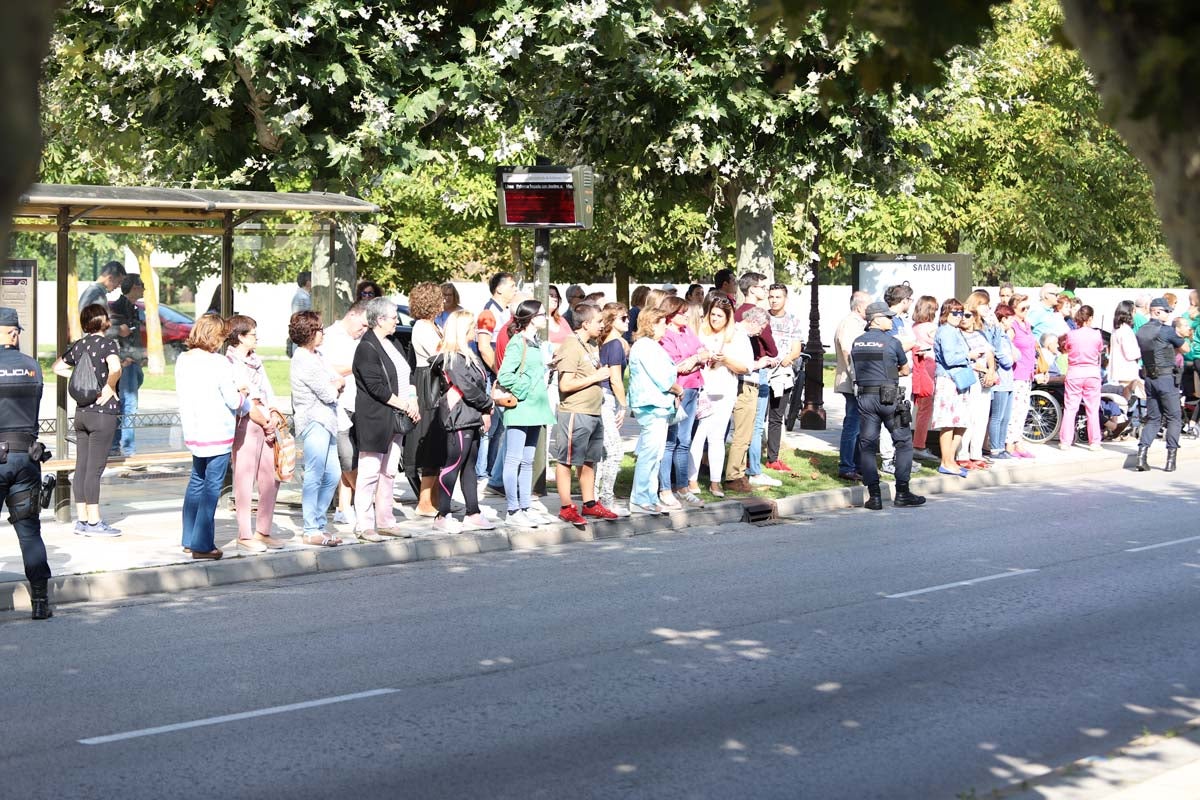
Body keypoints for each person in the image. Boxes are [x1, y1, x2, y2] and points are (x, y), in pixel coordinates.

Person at [176, 314, 247, 560]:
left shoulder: (183, 359)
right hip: (217, 430)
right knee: (211, 487)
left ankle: (188, 538)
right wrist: (243, 394)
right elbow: (232, 399)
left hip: (195, 431)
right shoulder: (219, 363)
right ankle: (203, 544)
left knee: (196, 481)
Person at [0, 308, 53, 619]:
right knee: (30, 532)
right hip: (27, 459)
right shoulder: (33, 367)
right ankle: (40, 603)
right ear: (14, 333)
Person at [52, 303, 123, 536]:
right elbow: (115, 367)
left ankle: (82, 520)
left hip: (81, 414)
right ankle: (95, 522)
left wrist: (80, 379)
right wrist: (108, 387)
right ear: (104, 321)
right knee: (95, 469)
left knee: (81, 467)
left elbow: (57, 367)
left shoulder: (80, 345)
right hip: (103, 414)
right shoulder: (107, 344)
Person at [351, 298, 417, 541]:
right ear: (379, 320)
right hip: (375, 418)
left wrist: (414, 399)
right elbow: (376, 386)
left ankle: (386, 520)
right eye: (392, 317)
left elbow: (406, 375)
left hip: (395, 417)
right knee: (369, 472)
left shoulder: (393, 344)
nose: (397, 320)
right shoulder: (367, 347)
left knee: (389, 471)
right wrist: (405, 405)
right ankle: (364, 524)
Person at [851, 302, 925, 510]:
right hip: (889, 399)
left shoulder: (857, 343)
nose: (892, 320)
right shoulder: (892, 343)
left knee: (867, 445)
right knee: (903, 442)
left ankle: (874, 496)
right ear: (875, 319)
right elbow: (904, 370)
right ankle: (902, 493)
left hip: (866, 399)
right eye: (888, 317)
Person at [551, 303, 618, 523]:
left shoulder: (590, 345)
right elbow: (566, 384)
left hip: (593, 412)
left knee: (589, 460)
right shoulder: (571, 345)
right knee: (567, 460)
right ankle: (566, 506)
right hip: (575, 412)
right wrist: (597, 377)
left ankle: (589, 503)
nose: (602, 325)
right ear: (586, 323)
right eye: (599, 321)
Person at [225, 315, 285, 552]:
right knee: (244, 477)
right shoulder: (230, 361)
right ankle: (244, 533)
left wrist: (272, 415)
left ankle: (263, 530)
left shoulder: (256, 361)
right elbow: (244, 398)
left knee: (270, 477)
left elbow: (267, 390)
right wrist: (263, 418)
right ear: (240, 337)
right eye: (252, 334)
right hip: (247, 422)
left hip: (265, 419)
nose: (256, 338)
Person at [434, 310, 496, 533]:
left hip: (472, 415)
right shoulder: (452, 357)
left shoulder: (468, 354)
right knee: (453, 465)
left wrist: (485, 409)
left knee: (469, 466)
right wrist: (488, 404)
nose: (475, 331)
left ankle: (473, 512)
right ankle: (442, 514)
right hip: (459, 417)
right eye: (471, 327)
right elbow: (468, 388)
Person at [497, 300, 556, 527]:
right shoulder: (517, 342)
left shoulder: (534, 342)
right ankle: (512, 510)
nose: (546, 317)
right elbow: (505, 376)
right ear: (531, 318)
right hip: (521, 407)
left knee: (528, 460)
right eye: (542, 314)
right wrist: (527, 387)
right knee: (513, 459)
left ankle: (524, 506)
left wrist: (546, 368)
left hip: (535, 408)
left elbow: (530, 371)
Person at [289, 310, 344, 547]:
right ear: (309, 332)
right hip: (314, 422)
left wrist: (337, 382)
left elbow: (336, 379)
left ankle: (319, 523)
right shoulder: (303, 359)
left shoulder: (318, 355)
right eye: (319, 329)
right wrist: (336, 384)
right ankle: (311, 528)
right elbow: (329, 391)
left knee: (333, 474)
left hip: (328, 422)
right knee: (314, 474)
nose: (323, 333)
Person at [689, 293, 751, 497]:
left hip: (725, 390)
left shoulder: (737, 336)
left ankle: (716, 482)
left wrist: (725, 360)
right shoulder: (700, 332)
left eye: (719, 316)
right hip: (703, 389)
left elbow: (745, 367)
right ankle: (692, 479)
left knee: (717, 437)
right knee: (699, 435)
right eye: (712, 315)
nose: (715, 319)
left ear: (728, 318)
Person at [628, 308, 683, 514]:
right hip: (651, 404)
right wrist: (678, 389)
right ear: (651, 324)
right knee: (650, 453)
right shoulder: (645, 346)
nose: (666, 327)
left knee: (656, 453)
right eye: (662, 323)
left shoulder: (651, 346)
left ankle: (649, 496)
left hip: (658, 404)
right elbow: (662, 378)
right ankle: (640, 498)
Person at [320, 301, 369, 527]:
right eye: (362, 325)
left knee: (353, 456)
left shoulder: (358, 338)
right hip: (339, 404)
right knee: (347, 456)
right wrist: (358, 365)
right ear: (352, 315)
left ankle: (343, 506)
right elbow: (327, 367)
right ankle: (364, 501)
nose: (364, 330)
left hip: (357, 402)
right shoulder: (331, 336)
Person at [658, 296, 708, 509]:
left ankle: (683, 487)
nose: (687, 315)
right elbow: (676, 366)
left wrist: (696, 358)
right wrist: (696, 358)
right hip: (677, 391)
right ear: (670, 315)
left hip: (693, 387)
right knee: (670, 441)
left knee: (685, 440)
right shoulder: (665, 335)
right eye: (682, 312)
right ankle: (665, 488)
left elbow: (705, 353)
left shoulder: (687, 331)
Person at [404, 282, 447, 516]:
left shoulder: (433, 325)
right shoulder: (422, 326)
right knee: (430, 442)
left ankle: (435, 499)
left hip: (433, 382)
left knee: (438, 443)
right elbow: (436, 356)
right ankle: (425, 502)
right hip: (427, 383)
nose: (443, 302)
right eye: (439, 299)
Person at [1133, 297, 1188, 472]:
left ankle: (1141, 455)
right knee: (1174, 418)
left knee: (1154, 418)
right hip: (1166, 379)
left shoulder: (1141, 330)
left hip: (1150, 379)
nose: (1169, 314)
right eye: (1166, 311)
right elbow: (1185, 348)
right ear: (1156, 311)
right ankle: (1170, 460)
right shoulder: (1166, 331)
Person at [475, 272, 518, 484]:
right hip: (492, 375)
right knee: (488, 426)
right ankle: (482, 471)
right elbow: (484, 347)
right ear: (498, 288)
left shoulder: (505, 312)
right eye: (511, 285)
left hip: (499, 374)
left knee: (499, 427)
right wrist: (499, 371)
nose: (515, 289)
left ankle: (491, 469)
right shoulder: (488, 313)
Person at [932, 299, 977, 477]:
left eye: (961, 313)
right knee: (948, 422)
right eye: (955, 313)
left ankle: (949, 459)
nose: (959, 316)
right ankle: (946, 461)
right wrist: (968, 355)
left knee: (962, 421)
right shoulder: (946, 331)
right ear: (945, 314)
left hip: (959, 381)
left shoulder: (955, 331)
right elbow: (950, 359)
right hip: (948, 381)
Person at [764, 283, 804, 471]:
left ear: (785, 299)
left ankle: (773, 458)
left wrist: (789, 358)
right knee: (756, 418)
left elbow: (797, 348)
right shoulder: (761, 317)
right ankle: (750, 457)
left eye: (778, 297)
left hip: (782, 374)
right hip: (762, 371)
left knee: (776, 416)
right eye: (771, 296)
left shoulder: (793, 321)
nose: (774, 300)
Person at [596, 303, 630, 515]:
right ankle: (606, 498)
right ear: (611, 321)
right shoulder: (615, 344)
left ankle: (595, 497)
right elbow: (616, 379)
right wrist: (623, 405)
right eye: (623, 318)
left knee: (602, 451)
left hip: (601, 398)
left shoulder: (608, 343)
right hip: (607, 399)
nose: (627, 321)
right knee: (615, 451)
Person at [956, 292, 997, 470]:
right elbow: (965, 359)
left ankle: (976, 453)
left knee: (981, 418)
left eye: (967, 315)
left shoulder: (981, 334)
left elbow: (990, 353)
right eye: (961, 315)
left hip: (984, 380)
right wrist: (984, 370)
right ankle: (962, 454)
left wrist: (992, 370)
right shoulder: (958, 335)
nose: (964, 319)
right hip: (970, 379)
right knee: (969, 418)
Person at [833, 291, 871, 480]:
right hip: (853, 381)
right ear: (859, 306)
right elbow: (848, 352)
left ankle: (856, 464)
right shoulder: (850, 323)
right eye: (869, 305)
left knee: (859, 424)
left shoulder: (859, 323)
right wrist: (857, 378)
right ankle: (847, 466)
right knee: (853, 424)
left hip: (859, 379)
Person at [1058, 305, 1105, 450]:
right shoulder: (1097, 334)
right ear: (1090, 318)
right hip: (1092, 373)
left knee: (1071, 408)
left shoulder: (1072, 334)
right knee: (1092, 408)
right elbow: (1100, 349)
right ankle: (1094, 441)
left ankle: (1065, 441)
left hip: (1075, 373)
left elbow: (1066, 348)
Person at [109, 273, 145, 457]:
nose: (144, 289)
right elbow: (115, 332)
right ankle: (127, 449)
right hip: (126, 362)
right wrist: (126, 357)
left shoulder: (131, 307)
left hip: (132, 361)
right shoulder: (119, 307)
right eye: (142, 286)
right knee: (128, 404)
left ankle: (116, 446)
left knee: (124, 404)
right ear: (134, 287)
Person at [1006, 294, 1038, 459]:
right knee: (1015, 409)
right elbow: (1007, 347)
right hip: (1016, 373)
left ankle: (1017, 440)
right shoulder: (1012, 326)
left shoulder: (1027, 325)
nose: (1026, 311)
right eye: (1022, 308)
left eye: (1027, 308)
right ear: (1014, 309)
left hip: (1027, 373)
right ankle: (1009, 442)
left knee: (1023, 408)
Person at [987, 304, 1019, 459]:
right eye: (1010, 318)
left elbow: (1017, 355)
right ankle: (995, 449)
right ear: (1003, 318)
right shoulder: (997, 335)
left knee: (1006, 418)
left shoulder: (1006, 335)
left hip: (1009, 381)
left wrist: (1011, 357)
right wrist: (1010, 357)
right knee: (997, 416)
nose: (1012, 322)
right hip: (1000, 383)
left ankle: (1001, 447)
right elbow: (1004, 359)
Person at [910, 296, 939, 460]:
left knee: (921, 409)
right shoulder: (931, 327)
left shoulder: (914, 327)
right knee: (925, 410)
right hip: (929, 368)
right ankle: (919, 445)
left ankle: (918, 443)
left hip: (918, 369)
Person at [287, 270, 313, 357]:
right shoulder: (302, 298)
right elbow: (303, 319)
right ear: (308, 282)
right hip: (303, 337)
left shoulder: (304, 296)